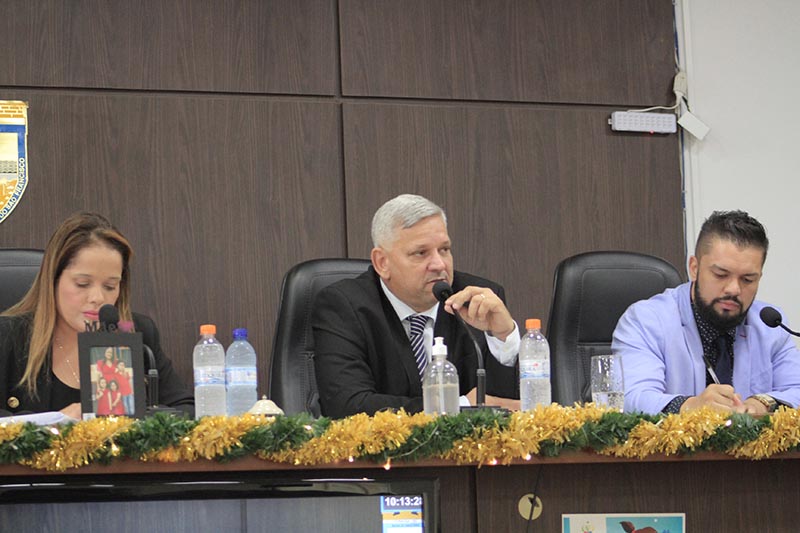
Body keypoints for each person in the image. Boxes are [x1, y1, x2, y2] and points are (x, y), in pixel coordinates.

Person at [313, 194, 521, 418]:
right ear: (382, 263)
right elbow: (347, 406)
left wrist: (503, 337)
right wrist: (458, 406)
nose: (439, 264)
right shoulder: (343, 307)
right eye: (421, 253)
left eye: (444, 249)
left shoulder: (475, 300)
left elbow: (506, 405)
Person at [0, 212, 194, 419]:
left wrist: (136, 421)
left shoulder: (135, 332)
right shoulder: (7, 336)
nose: (98, 298)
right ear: (52, 280)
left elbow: (186, 409)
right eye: (82, 284)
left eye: (110, 286)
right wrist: (53, 422)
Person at [612, 210, 800, 415]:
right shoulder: (646, 320)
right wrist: (690, 406)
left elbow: (796, 388)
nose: (734, 289)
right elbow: (630, 398)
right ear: (694, 268)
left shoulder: (770, 324)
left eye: (747, 280)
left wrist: (761, 403)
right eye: (721, 275)